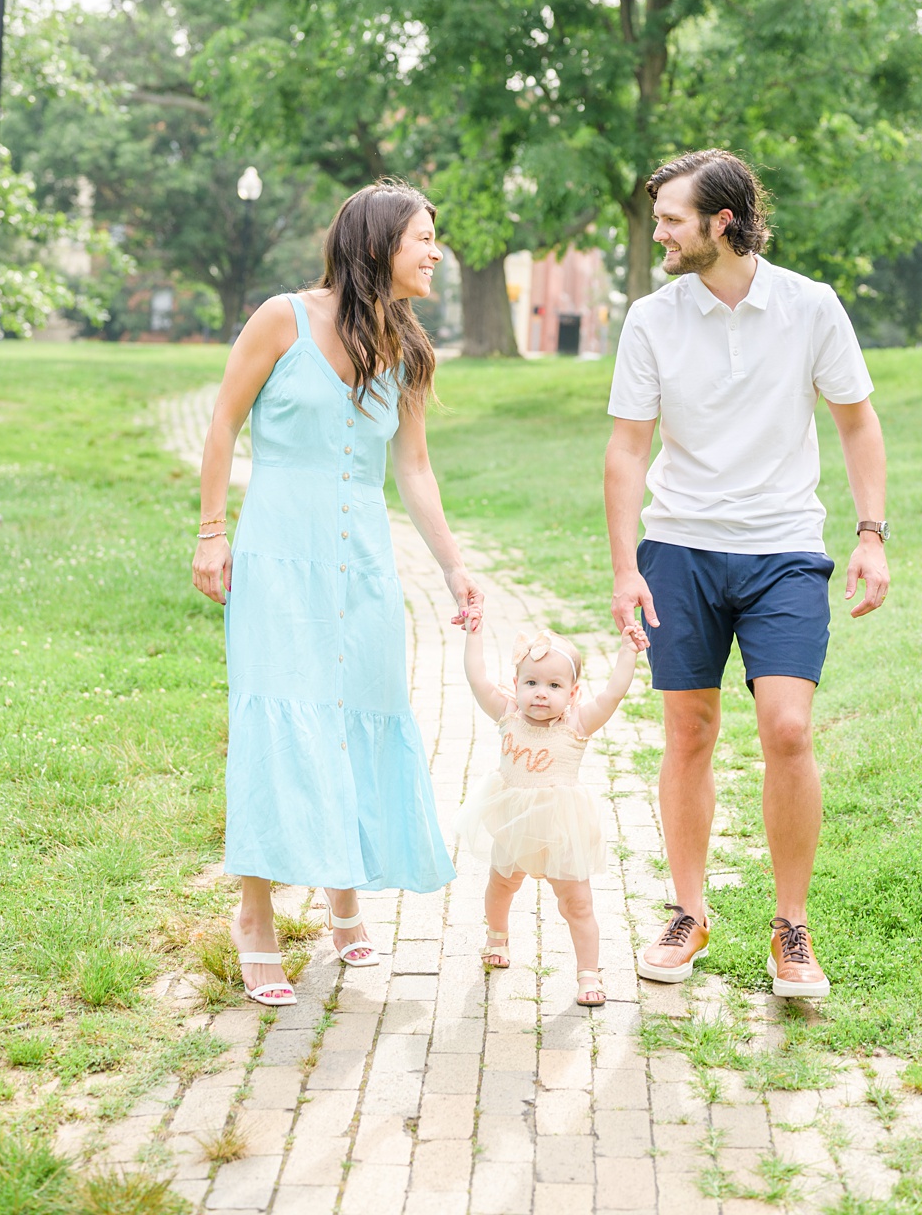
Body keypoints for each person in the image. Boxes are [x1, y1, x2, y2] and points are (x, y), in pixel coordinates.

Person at [604, 149, 889, 998]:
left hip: (784, 550)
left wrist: (871, 534)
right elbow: (626, 451)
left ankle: (791, 929)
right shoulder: (652, 320)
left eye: (670, 220)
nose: (658, 233)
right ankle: (688, 913)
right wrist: (627, 568)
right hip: (680, 548)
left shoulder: (810, 307)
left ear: (722, 223)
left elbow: (858, 424)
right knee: (688, 733)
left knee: (788, 730)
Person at [191, 181, 479, 1006]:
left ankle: (343, 893)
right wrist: (212, 532)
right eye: (424, 237)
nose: (435, 251)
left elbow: (413, 469)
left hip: (363, 562)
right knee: (279, 717)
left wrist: (455, 566)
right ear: (378, 242)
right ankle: (255, 916)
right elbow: (221, 423)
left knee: (358, 715)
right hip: (281, 552)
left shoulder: (410, 348)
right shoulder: (282, 317)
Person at [458, 626, 645, 1007]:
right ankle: (497, 935)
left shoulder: (576, 724)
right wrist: (475, 633)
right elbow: (477, 677)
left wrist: (628, 652)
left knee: (577, 903)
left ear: (573, 694)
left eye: (555, 686)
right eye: (531, 682)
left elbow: (613, 694)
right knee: (502, 884)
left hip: (561, 830)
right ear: (516, 684)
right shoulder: (509, 714)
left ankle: (588, 973)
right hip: (515, 826)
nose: (541, 692)